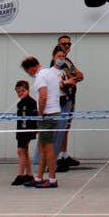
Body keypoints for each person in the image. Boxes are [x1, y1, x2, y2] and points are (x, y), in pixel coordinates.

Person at [24, 55, 62, 188]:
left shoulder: (40, 76)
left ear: (32, 67)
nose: (28, 74)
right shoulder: (49, 72)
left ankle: (52, 179)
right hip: (54, 112)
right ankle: (39, 177)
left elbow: (43, 96)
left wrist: (40, 114)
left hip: (47, 114)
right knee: (42, 146)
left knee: (48, 147)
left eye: (27, 71)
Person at [52, 37, 84, 170]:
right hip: (61, 99)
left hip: (70, 97)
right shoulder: (57, 63)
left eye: (68, 44)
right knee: (59, 127)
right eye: (63, 44)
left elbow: (80, 76)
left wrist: (73, 78)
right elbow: (63, 80)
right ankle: (57, 157)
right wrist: (72, 78)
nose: (66, 46)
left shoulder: (67, 61)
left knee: (66, 127)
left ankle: (64, 154)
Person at [12, 78, 36, 186]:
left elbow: (32, 118)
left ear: (28, 90)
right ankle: (29, 174)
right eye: (18, 92)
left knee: (20, 151)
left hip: (27, 131)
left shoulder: (31, 102)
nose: (20, 93)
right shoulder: (21, 103)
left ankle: (20, 175)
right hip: (21, 130)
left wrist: (33, 131)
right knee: (25, 151)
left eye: (22, 91)